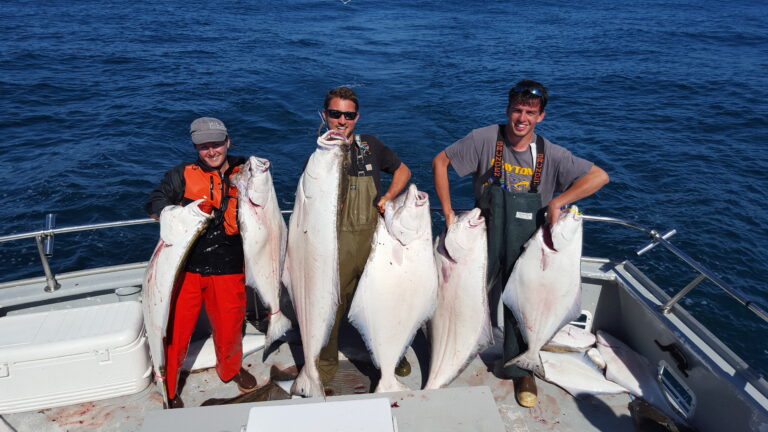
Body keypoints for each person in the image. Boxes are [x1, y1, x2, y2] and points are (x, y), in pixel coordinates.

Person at [432, 80, 609, 408]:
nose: (522, 118)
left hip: (527, 244)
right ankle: (448, 351)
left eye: (530, 112)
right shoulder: (484, 139)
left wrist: (560, 201)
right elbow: (440, 162)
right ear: (507, 110)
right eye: (517, 110)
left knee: (518, 308)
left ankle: (520, 369)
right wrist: (446, 212)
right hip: (482, 235)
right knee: (462, 295)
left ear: (541, 116)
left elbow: (599, 176)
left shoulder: (551, 154)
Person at [145, 117, 258, 408]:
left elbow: (264, 202)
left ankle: (231, 369)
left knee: (230, 325)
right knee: (177, 328)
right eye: (204, 146)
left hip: (230, 264)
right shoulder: (180, 174)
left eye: (216, 144)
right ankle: (170, 382)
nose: (211, 151)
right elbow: (155, 202)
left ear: (228, 142)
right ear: (196, 148)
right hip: (186, 268)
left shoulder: (246, 169)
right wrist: (176, 213)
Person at [316, 87, 412, 389]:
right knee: (330, 304)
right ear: (325, 116)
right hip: (336, 246)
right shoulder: (320, 156)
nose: (341, 120)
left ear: (357, 117)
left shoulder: (370, 145)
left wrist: (388, 196)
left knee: (384, 301)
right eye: (335, 114)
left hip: (374, 242)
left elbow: (403, 171)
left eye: (348, 115)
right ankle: (326, 359)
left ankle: (392, 356)